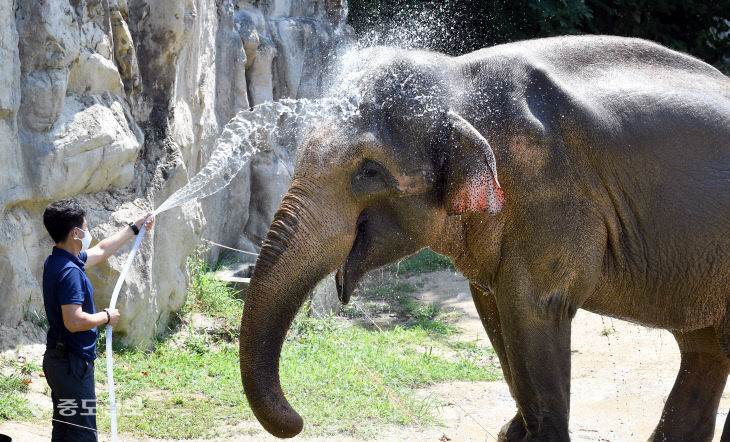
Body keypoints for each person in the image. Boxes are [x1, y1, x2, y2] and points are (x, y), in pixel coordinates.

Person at [41, 198, 154, 441]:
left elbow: (102, 249)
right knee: (82, 433)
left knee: (65, 428)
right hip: (72, 366)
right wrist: (106, 317)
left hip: (60, 362)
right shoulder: (70, 273)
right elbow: (74, 320)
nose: (87, 231)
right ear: (75, 232)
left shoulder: (60, 260)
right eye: (85, 226)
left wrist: (135, 227)